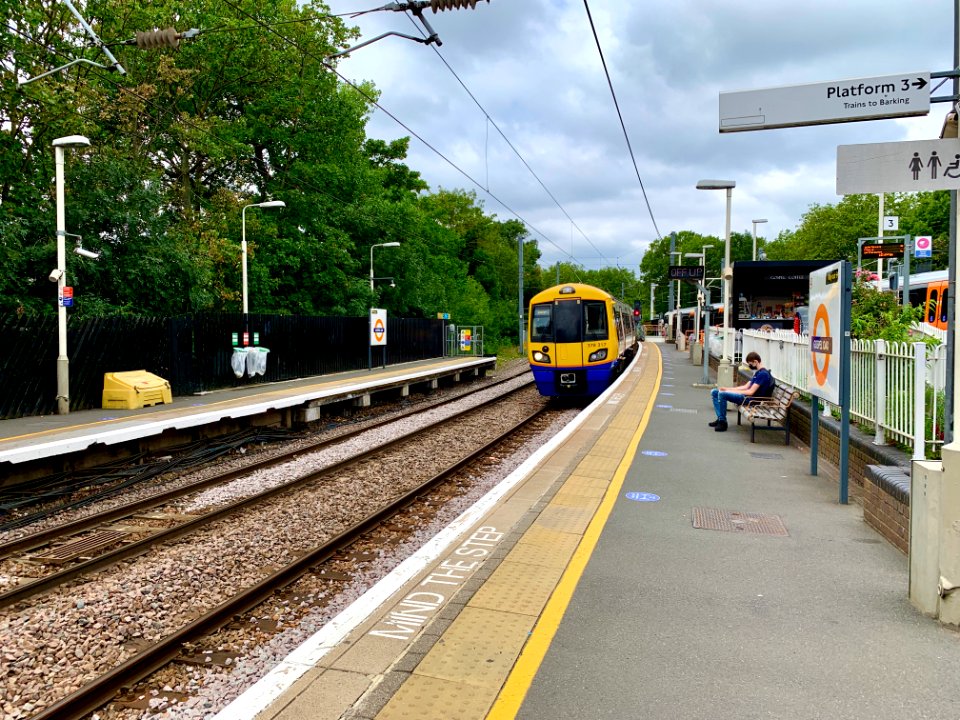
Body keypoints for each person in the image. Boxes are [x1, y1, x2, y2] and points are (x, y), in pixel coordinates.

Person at [708, 351, 775, 432]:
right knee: (715, 392)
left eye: (750, 364)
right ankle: (720, 418)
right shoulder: (758, 373)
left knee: (722, 395)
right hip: (746, 397)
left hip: (750, 400)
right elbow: (745, 387)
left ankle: (723, 422)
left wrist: (732, 392)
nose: (749, 366)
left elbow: (750, 392)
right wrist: (727, 389)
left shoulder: (763, 375)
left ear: (756, 362)